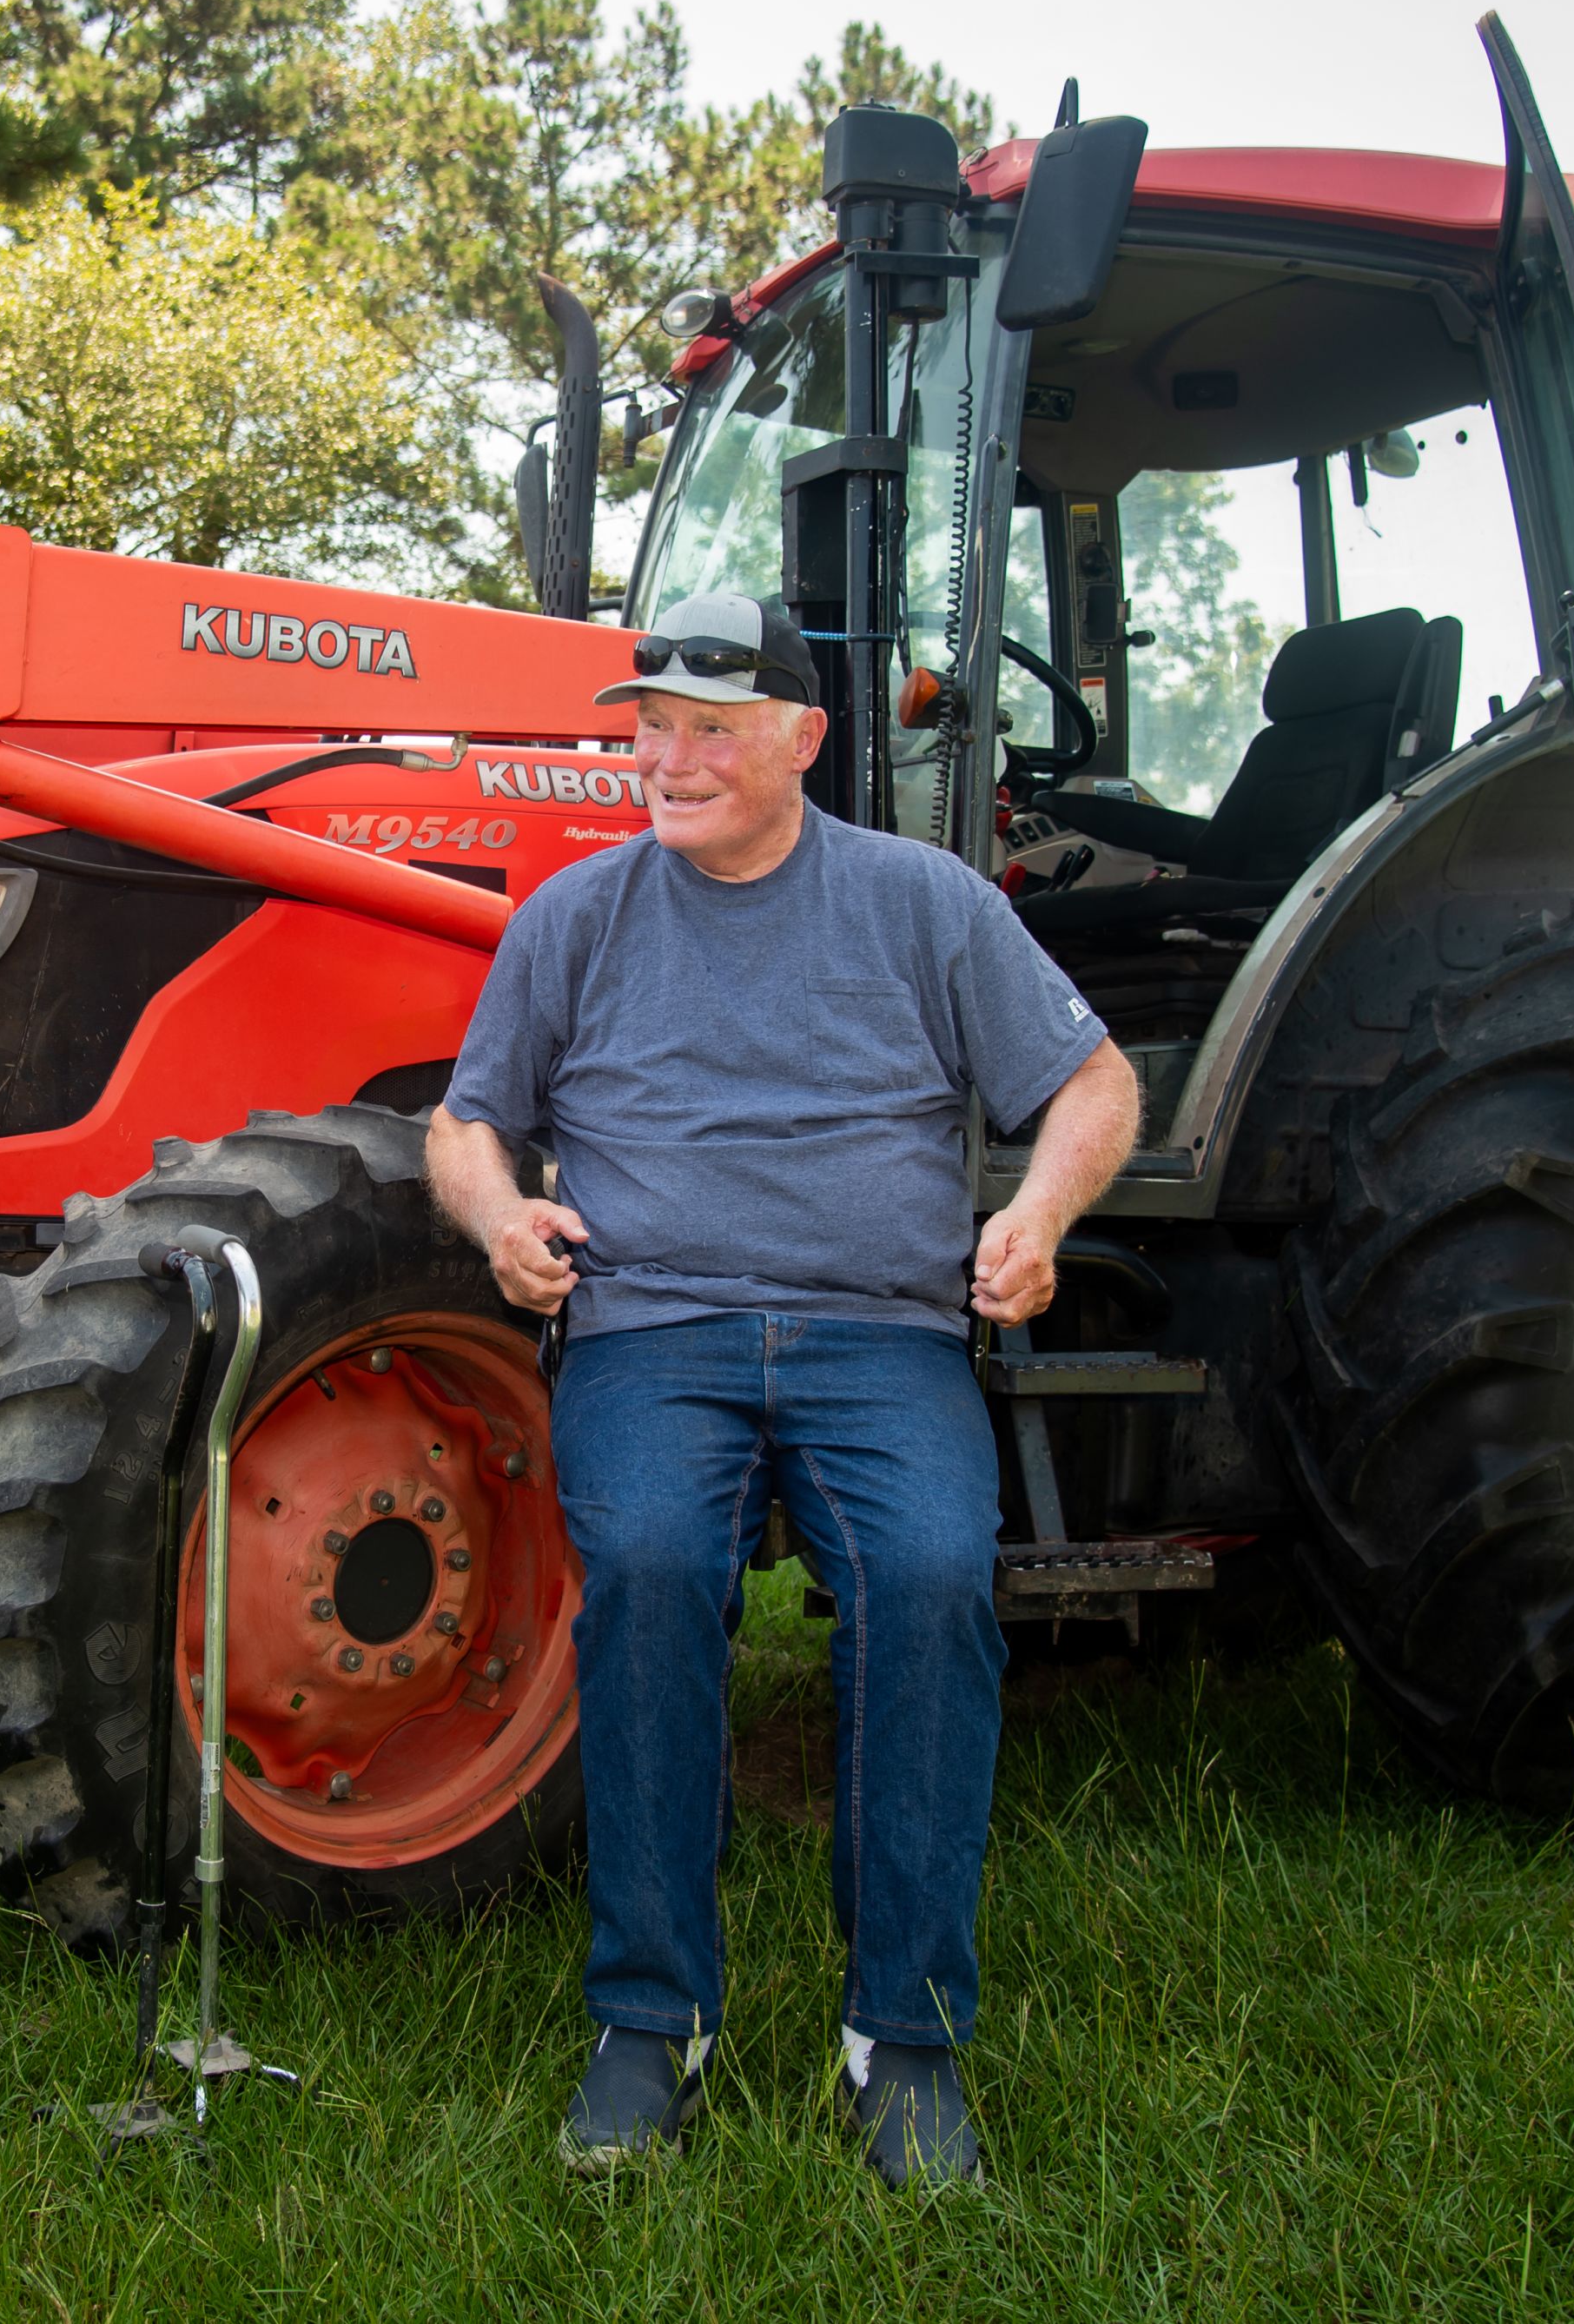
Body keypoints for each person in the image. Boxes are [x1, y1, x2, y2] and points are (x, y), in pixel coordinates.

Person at [426, 591, 1141, 2190]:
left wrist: (1035, 1213)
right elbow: (466, 1121)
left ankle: (904, 2033)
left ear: (804, 740)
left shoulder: (923, 902)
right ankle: (651, 2015)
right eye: (649, 729)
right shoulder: (574, 916)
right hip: (651, 1332)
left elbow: (1094, 1079)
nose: (666, 762)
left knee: (937, 1571)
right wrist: (498, 1215)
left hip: (878, 1335)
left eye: (710, 731)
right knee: (660, 1567)